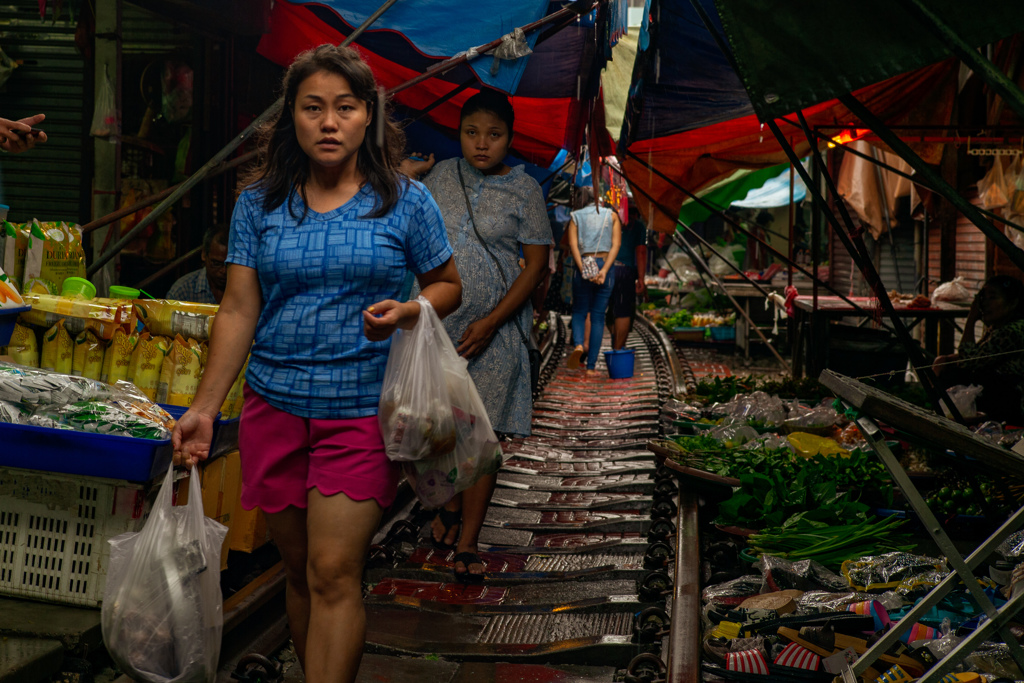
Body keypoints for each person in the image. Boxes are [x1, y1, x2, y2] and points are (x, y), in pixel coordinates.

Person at [171, 44, 461, 683]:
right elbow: (239, 309)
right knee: (301, 574)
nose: (329, 122)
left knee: (334, 571)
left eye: (345, 108)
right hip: (274, 408)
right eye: (313, 108)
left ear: (367, 118)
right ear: (292, 119)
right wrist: (203, 408)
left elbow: (447, 284)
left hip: (360, 410)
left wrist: (413, 310)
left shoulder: (405, 201)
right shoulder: (258, 205)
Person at [402, 90, 552, 581]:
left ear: (510, 138)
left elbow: (535, 268)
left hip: (497, 332)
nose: (481, 144)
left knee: (483, 437)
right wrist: (403, 175)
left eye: (493, 135)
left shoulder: (526, 191)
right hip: (436, 328)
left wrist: (492, 321)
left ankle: (468, 540)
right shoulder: (440, 174)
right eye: (471, 133)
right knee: (441, 428)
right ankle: (446, 505)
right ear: (459, 134)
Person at [932, 275, 1024, 423]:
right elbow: (976, 354)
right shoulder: (998, 327)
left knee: (954, 374)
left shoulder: (1013, 331)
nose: (984, 304)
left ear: (1013, 303)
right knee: (947, 366)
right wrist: (945, 359)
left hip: (1013, 398)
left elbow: (969, 362)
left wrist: (971, 319)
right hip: (1000, 392)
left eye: (992, 298)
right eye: (982, 298)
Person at [566, 185, 621, 372]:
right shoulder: (612, 216)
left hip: (584, 264)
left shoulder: (575, 217)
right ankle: (590, 367)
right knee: (598, 317)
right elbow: (615, 246)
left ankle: (580, 344)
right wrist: (604, 270)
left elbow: (573, 246)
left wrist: (583, 270)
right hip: (604, 265)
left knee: (580, 311)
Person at [605, 206, 647, 350]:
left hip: (604, 268)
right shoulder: (638, 227)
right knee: (623, 311)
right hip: (624, 271)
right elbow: (641, 252)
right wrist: (641, 279)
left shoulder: (607, 221)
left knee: (605, 309)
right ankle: (617, 349)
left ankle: (614, 340)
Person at [166, 224, 230, 304]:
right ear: (203, 254)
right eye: (216, 263)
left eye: (229, 265)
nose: (224, 271)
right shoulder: (182, 291)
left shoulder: (246, 288)